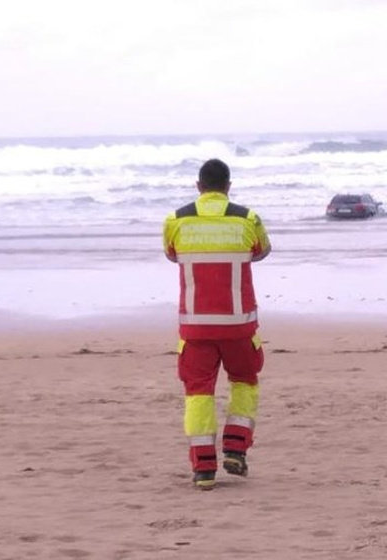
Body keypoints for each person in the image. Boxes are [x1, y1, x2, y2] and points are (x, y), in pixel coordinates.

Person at [162, 158, 272, 490]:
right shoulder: (247, 219)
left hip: (195, 327)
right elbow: (262, 251)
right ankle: (236, 448)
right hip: (239, 324)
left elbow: (171, 254)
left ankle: (204, 469)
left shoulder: (176, 220)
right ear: (228, 187)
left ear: (199, 187)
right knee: (244, 381)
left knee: (198, 393)